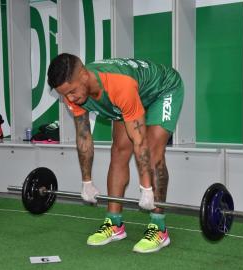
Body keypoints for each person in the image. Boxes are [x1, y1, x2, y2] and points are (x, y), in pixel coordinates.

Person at [47, 54, 184, 253]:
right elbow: (84, 137)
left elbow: (140, 141)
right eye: (64, 95)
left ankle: (158, 227)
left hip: (161, 90)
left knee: (154, 154)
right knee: (119, 151)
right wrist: (87, 181)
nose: (70, 99)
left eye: (72, 92)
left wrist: (146, 188)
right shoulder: (74, 93)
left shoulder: (119, 85)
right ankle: (114, 224)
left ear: (84, 76)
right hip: (130, 97)